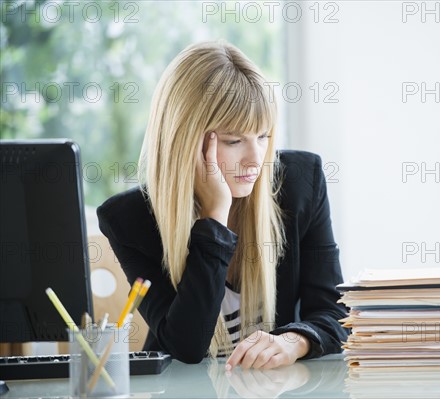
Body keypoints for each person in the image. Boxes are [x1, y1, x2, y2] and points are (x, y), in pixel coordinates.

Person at [97, 40, 348, 370]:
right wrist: (215, 216)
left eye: (262, 136)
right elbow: (186, 346)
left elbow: (335, 313)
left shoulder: (301, 183)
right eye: (233, 141)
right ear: (185, 140)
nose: (255, 161)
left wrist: (293, 341)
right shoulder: (129, 219)